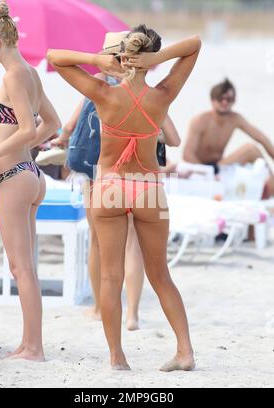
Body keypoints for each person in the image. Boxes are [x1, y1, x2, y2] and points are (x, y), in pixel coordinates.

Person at [47, 24, 201, 371]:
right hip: (147, 186)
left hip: (111, 186)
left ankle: (117, 357)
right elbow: (194, 44)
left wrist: (98, 61)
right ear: (149, 59)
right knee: (161, 276)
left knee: (110, 277)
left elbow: (54, 58)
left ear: (122, 56)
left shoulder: (103, 93)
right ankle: (185, 352)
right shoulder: (162, 95)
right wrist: (158, 58)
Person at [51, 67, 180, 329]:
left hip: (106, 177)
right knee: (135, 247)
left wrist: (63, 140)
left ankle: (99, 308)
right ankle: (132, 314)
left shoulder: (101, 88)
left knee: (99, 244)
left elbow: (69, 125)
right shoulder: (152, 95)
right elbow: (174, 139)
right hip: (145, 181)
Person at [0, 1, 61, 361]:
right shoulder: (30, 72)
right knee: (26, 267)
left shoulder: (12, 75)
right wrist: (15, 149)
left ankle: (34, 348)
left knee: (20, 267)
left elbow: (27, 128)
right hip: (30, 175)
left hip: (13, 177)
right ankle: (29, 344)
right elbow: (51, 124)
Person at [183, 78, 274, 195]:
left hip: (220, 166)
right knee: (250, 148)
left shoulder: (235, 119)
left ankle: (272, 184)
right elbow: (187, 154)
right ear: (212, 100)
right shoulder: (200, 120)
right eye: (220, 98)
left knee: (252, 149)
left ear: (234, 101)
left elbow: (261, 138)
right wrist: (206, 173)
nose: (224, 102)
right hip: (201, 169)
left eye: (228, 99)